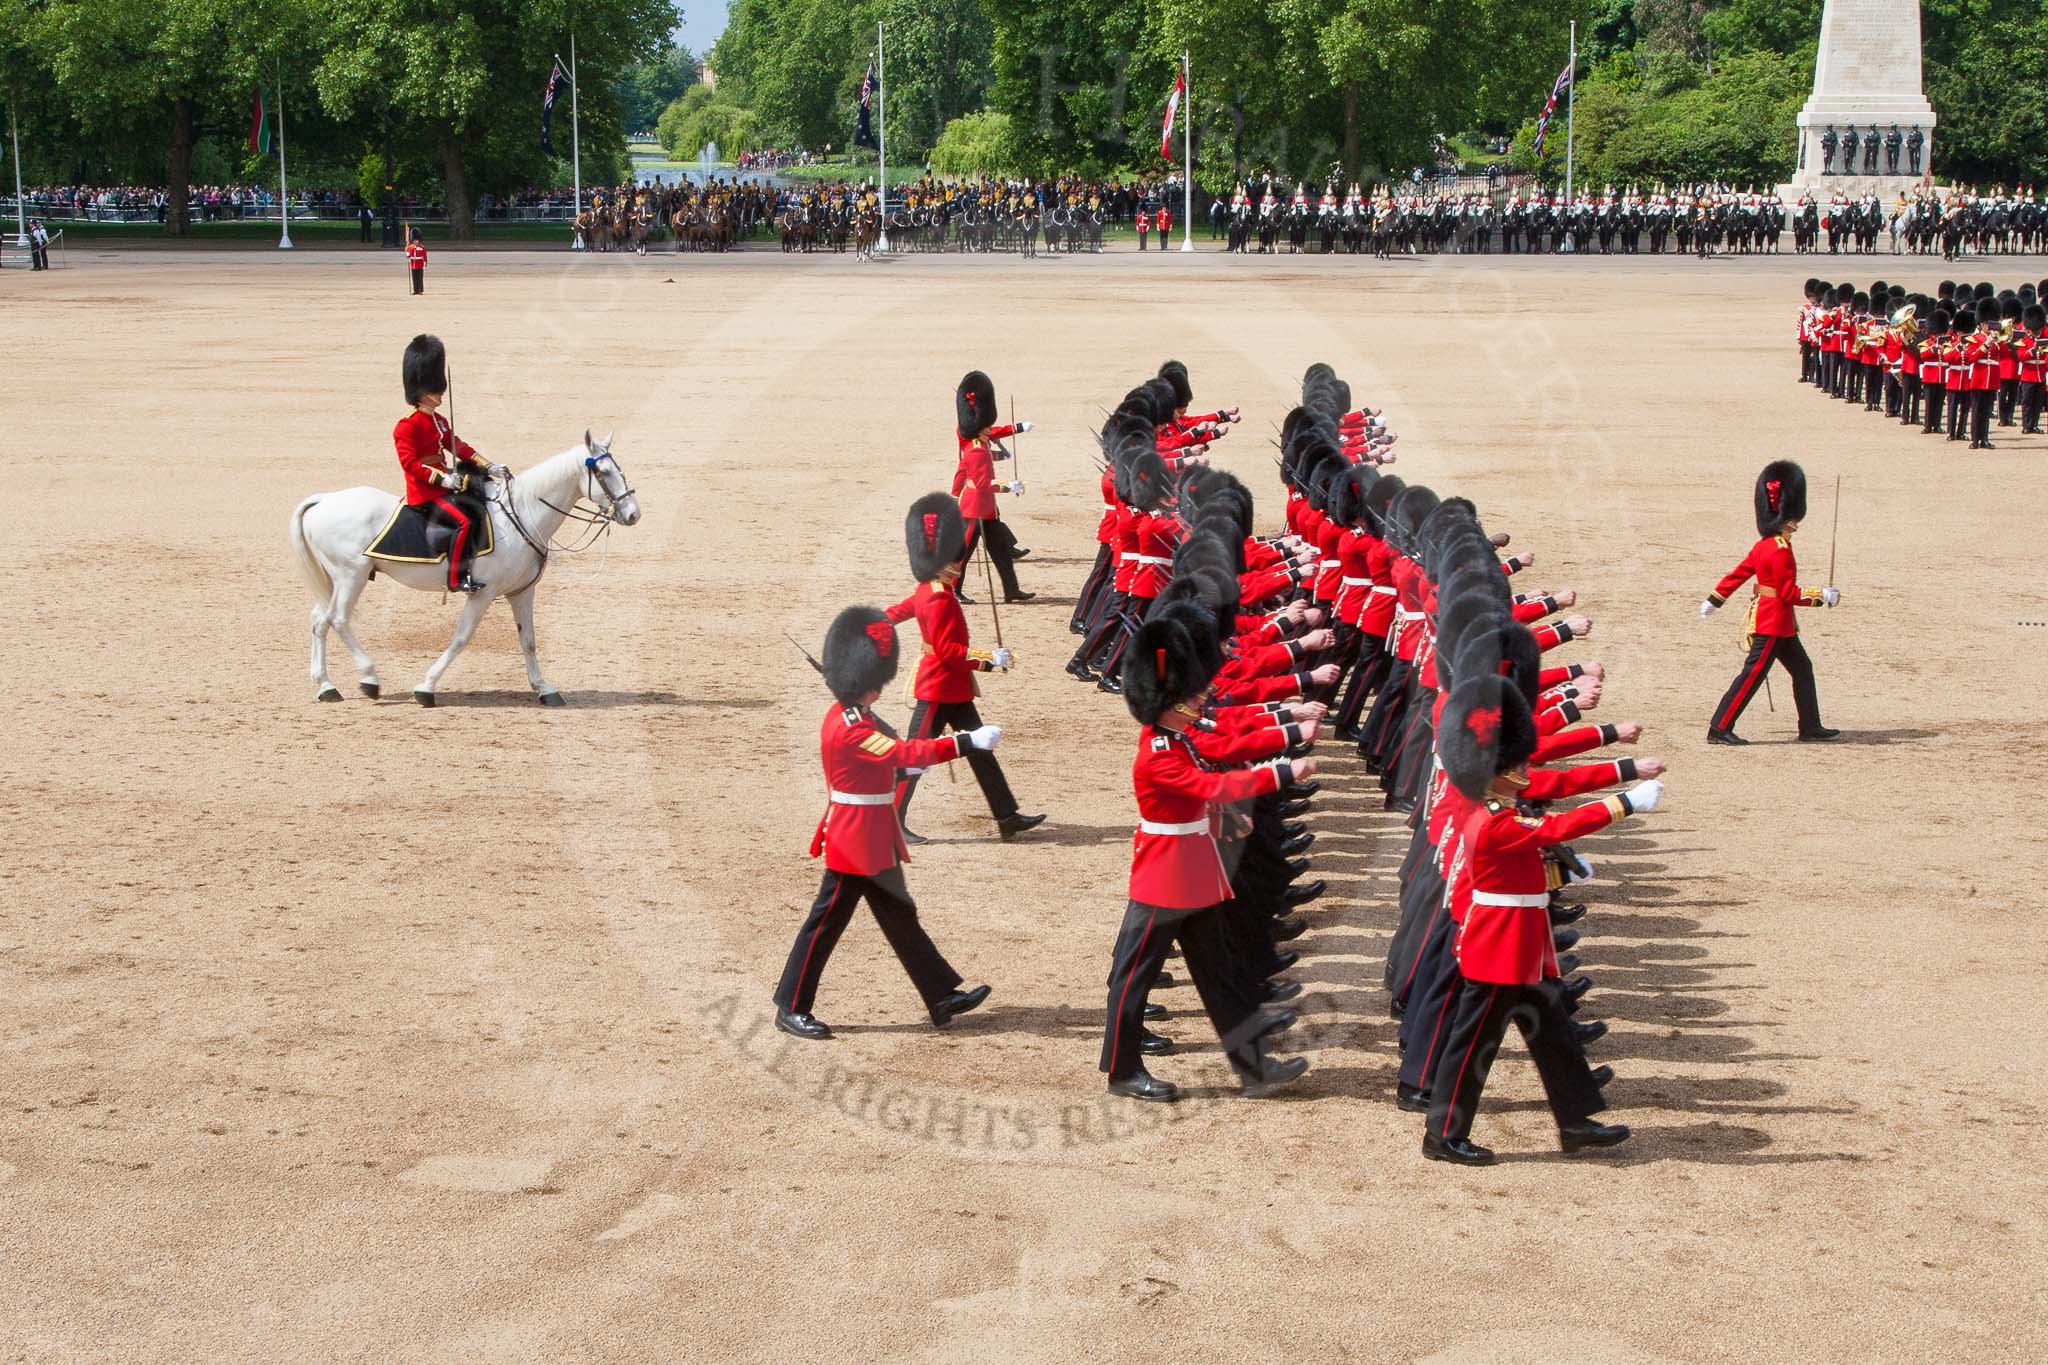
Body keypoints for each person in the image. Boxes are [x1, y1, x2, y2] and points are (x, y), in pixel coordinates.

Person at [1420, 674, 1653, 1165]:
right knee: (1471, 1046)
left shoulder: (1495, 802)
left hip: (1524, 940)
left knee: (1555, 1036)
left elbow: (1536, 847)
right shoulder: (1492, 817)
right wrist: (1623, 802)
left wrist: (1562, 862)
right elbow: (1552, 824)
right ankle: (1443, 1135)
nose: (1524, 767)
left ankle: (1576, 1122)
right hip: (1499, 946)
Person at [1099, 606, 1313, 1102]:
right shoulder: (1158, 755)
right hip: (1164, 877)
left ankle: (1254, 1067)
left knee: (1221, 976)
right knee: (1133, 978)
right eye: (1187, 695)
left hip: (1193, 872)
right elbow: (1208, 786)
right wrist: (1280, 772)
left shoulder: (1176, 738)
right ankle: (1122, 1070)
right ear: (1164, 702)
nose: (1198, 698)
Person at [772, 605, 998, 1042]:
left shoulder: (858, 716)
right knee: (826, 924)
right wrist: (963, 742)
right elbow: (901, 754)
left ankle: (941, 995)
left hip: (873, 832)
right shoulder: (852, 726)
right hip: (854, 838)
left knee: (899, 915)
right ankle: (791, 1004)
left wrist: (907, 764)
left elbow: (893, 759)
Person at [887, 492, 1046, 844]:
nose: (958, 567)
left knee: (981, 750)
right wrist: (988, 659)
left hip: (954, 689)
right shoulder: (941, 598)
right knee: (914, 757)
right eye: (953, 563)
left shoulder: (928, 588)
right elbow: (947, 651)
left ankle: (1007, 816)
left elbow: (899, 610)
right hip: (938, 688)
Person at [1702, 460, 1841, 745]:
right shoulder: (1780, 550)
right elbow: (1788, 593)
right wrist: (1821, 596)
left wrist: (1715, 600)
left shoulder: (1765, 545)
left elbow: (1738, 574)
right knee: (1752, 675)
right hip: (1772, 624)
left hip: (1779, 623)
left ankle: (1811, 725)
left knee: (1803, 669)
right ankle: (1719, 726)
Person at [394, 335, 500, 593]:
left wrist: (488, 466)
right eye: (434, 388)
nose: (440, 392)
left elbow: (456, 445)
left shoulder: (438, 420)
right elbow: (410, 463)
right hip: (424, 493)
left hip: (444, 483)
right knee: (463, 522)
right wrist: (442, 479)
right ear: (421, 391)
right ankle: (456, 578)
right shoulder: (407, 425)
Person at [950, 370, 1035, 604]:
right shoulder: (976, 448)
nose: (991, 428)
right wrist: (1010, 486)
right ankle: (953, 591)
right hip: (974, 508)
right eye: (986, 425)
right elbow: (983, 483)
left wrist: (1017, 428)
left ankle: (1011, 589)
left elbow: (993, 434)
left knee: (1000, 552)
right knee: (963, 553)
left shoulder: (978, 440)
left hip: (987, 509)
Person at [406, 227, 427, 294]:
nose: (416, 241)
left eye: (417, 240)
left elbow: (424, 255)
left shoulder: (422, 247)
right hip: (413, 264)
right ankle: (415, 290)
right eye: (415, 240)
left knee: (420, 278)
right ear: (413, 241)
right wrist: (407, 254)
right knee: (414, 278)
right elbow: (408, 255)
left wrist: (425, 262)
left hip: (420, 264)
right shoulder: (410, 247)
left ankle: (420, 290)